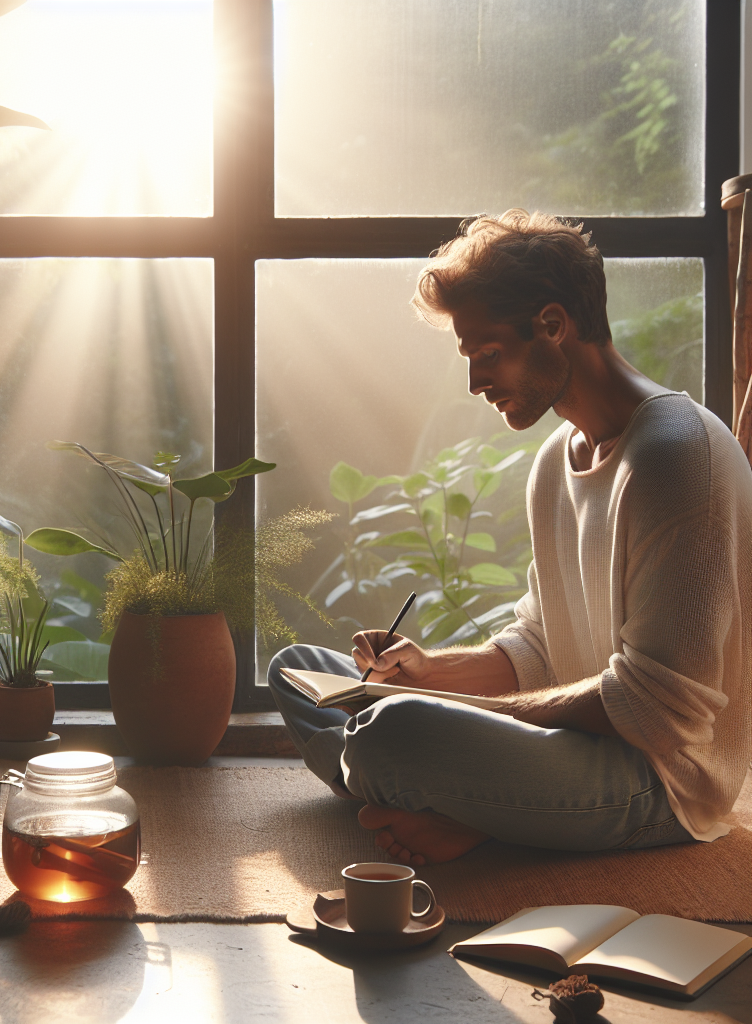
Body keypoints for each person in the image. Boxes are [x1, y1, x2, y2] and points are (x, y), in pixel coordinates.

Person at [268, 210, 752, 866]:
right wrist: (432, 672)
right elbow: (539, 644)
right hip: (571, 747)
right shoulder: (556, 460)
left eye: (487, 353)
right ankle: (455, 805)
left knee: (392, 733)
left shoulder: (675, 454)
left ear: (553, 325)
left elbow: (658, 711)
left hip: (656, 782)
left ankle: (455, 807)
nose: (474, 383)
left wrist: (471, 714)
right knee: (297, 674)